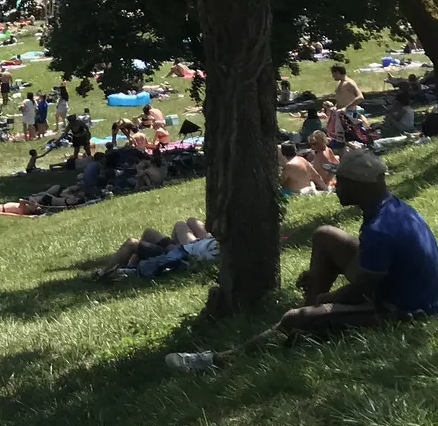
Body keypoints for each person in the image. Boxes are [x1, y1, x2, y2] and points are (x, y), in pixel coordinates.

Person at [169, 149, 438, 370]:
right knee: (325, 235)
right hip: (403, 286)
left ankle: (219, 360)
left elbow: (363, 290)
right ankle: (309, 328)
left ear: (359, 185)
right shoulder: (392, 207)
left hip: (403, 308)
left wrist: (330, 298)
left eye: (340, 181)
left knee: (294, 317)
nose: (335, 185)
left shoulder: (381, 228)